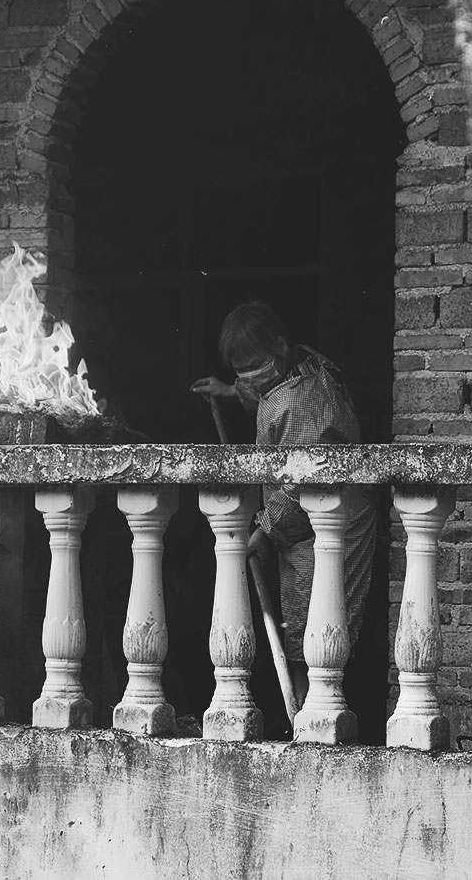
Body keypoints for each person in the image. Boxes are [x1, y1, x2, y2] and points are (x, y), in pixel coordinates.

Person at [191, 301, 378, 707]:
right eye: (240, 370)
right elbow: (263, 393)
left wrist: (265, 531)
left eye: (254, 366)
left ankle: (310, 717)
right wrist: (229, 391)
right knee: (302, 627)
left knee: (316, 630)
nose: (248, 377)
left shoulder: (305, 398)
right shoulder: (297, 361)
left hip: (325, 521)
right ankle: (305, 714)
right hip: (303, 524)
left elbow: (303, 483)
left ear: (278, 345)